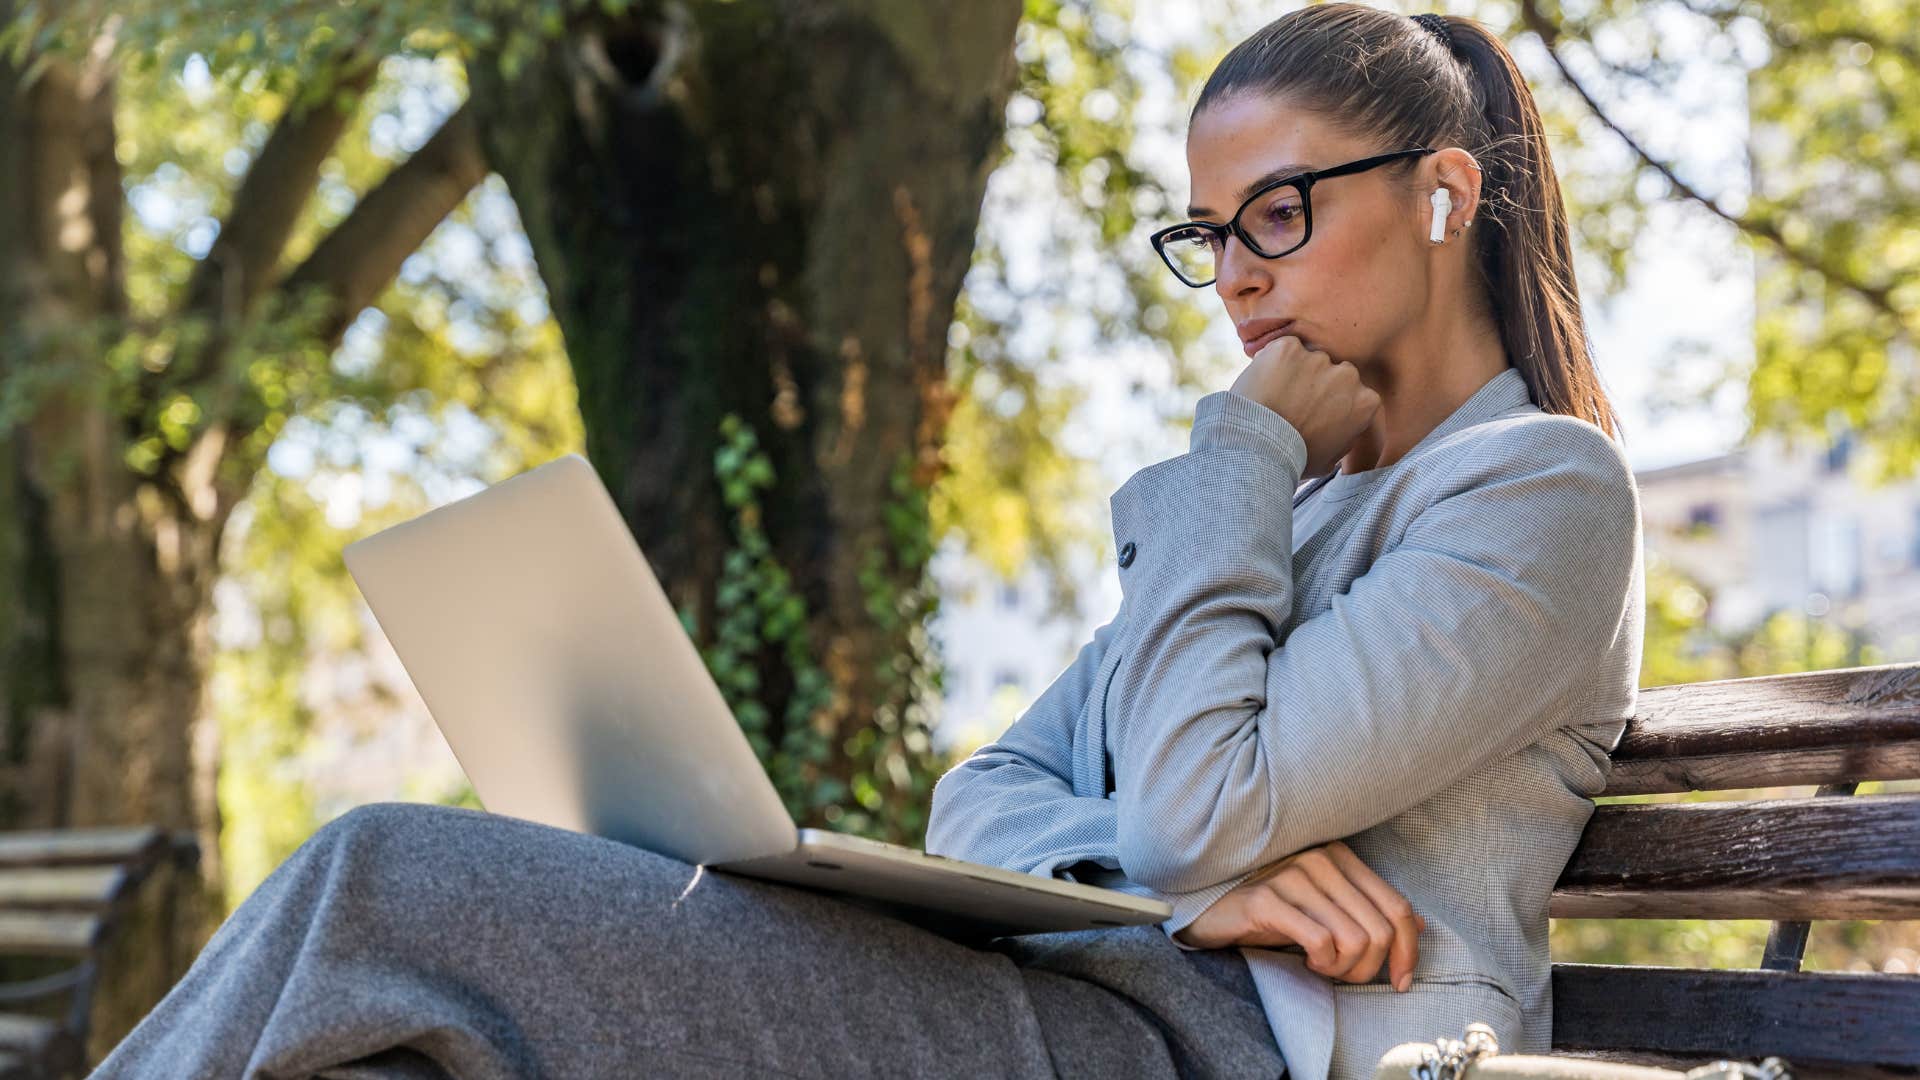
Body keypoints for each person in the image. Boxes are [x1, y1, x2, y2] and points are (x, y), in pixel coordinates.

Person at [92, 5, 1643, 1079]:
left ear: (1445, 197)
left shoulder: (1533, 492)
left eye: (1279, 215)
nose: (1235, 277)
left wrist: (1236, 455)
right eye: (1209, 235)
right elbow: (985, 800)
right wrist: (1181, 896)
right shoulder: (1275, 516)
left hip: (1211, 1054)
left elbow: (1195, 802)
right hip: (1072, 1007)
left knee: (386, 884)